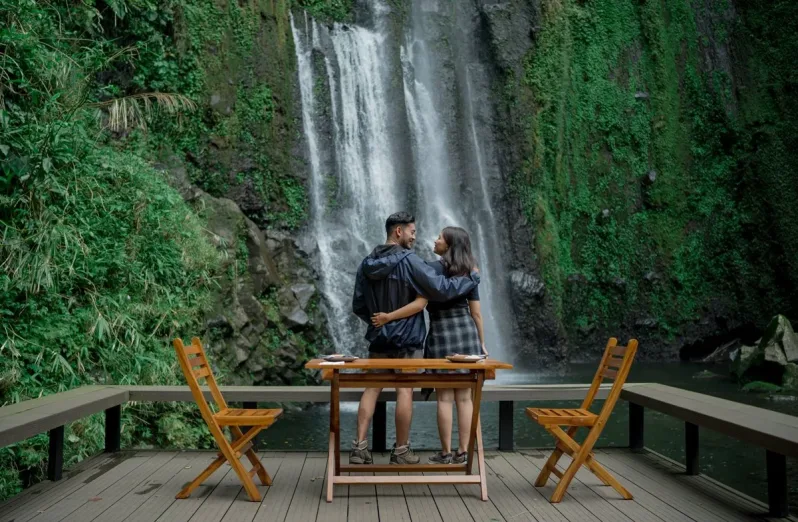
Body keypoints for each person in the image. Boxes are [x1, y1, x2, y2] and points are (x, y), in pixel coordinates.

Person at [351, 213, 480, 465]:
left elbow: (358, 305)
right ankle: (401, 451)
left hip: (378, 338)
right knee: (405, 391)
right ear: (398, 232)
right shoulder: (410, 261)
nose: (415, 236)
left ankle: (359, 447)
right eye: (412, 231)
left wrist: (378, 321)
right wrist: (472, 278)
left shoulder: (366, 263)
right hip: (408, 340)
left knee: (371, 388)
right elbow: (441, 289)